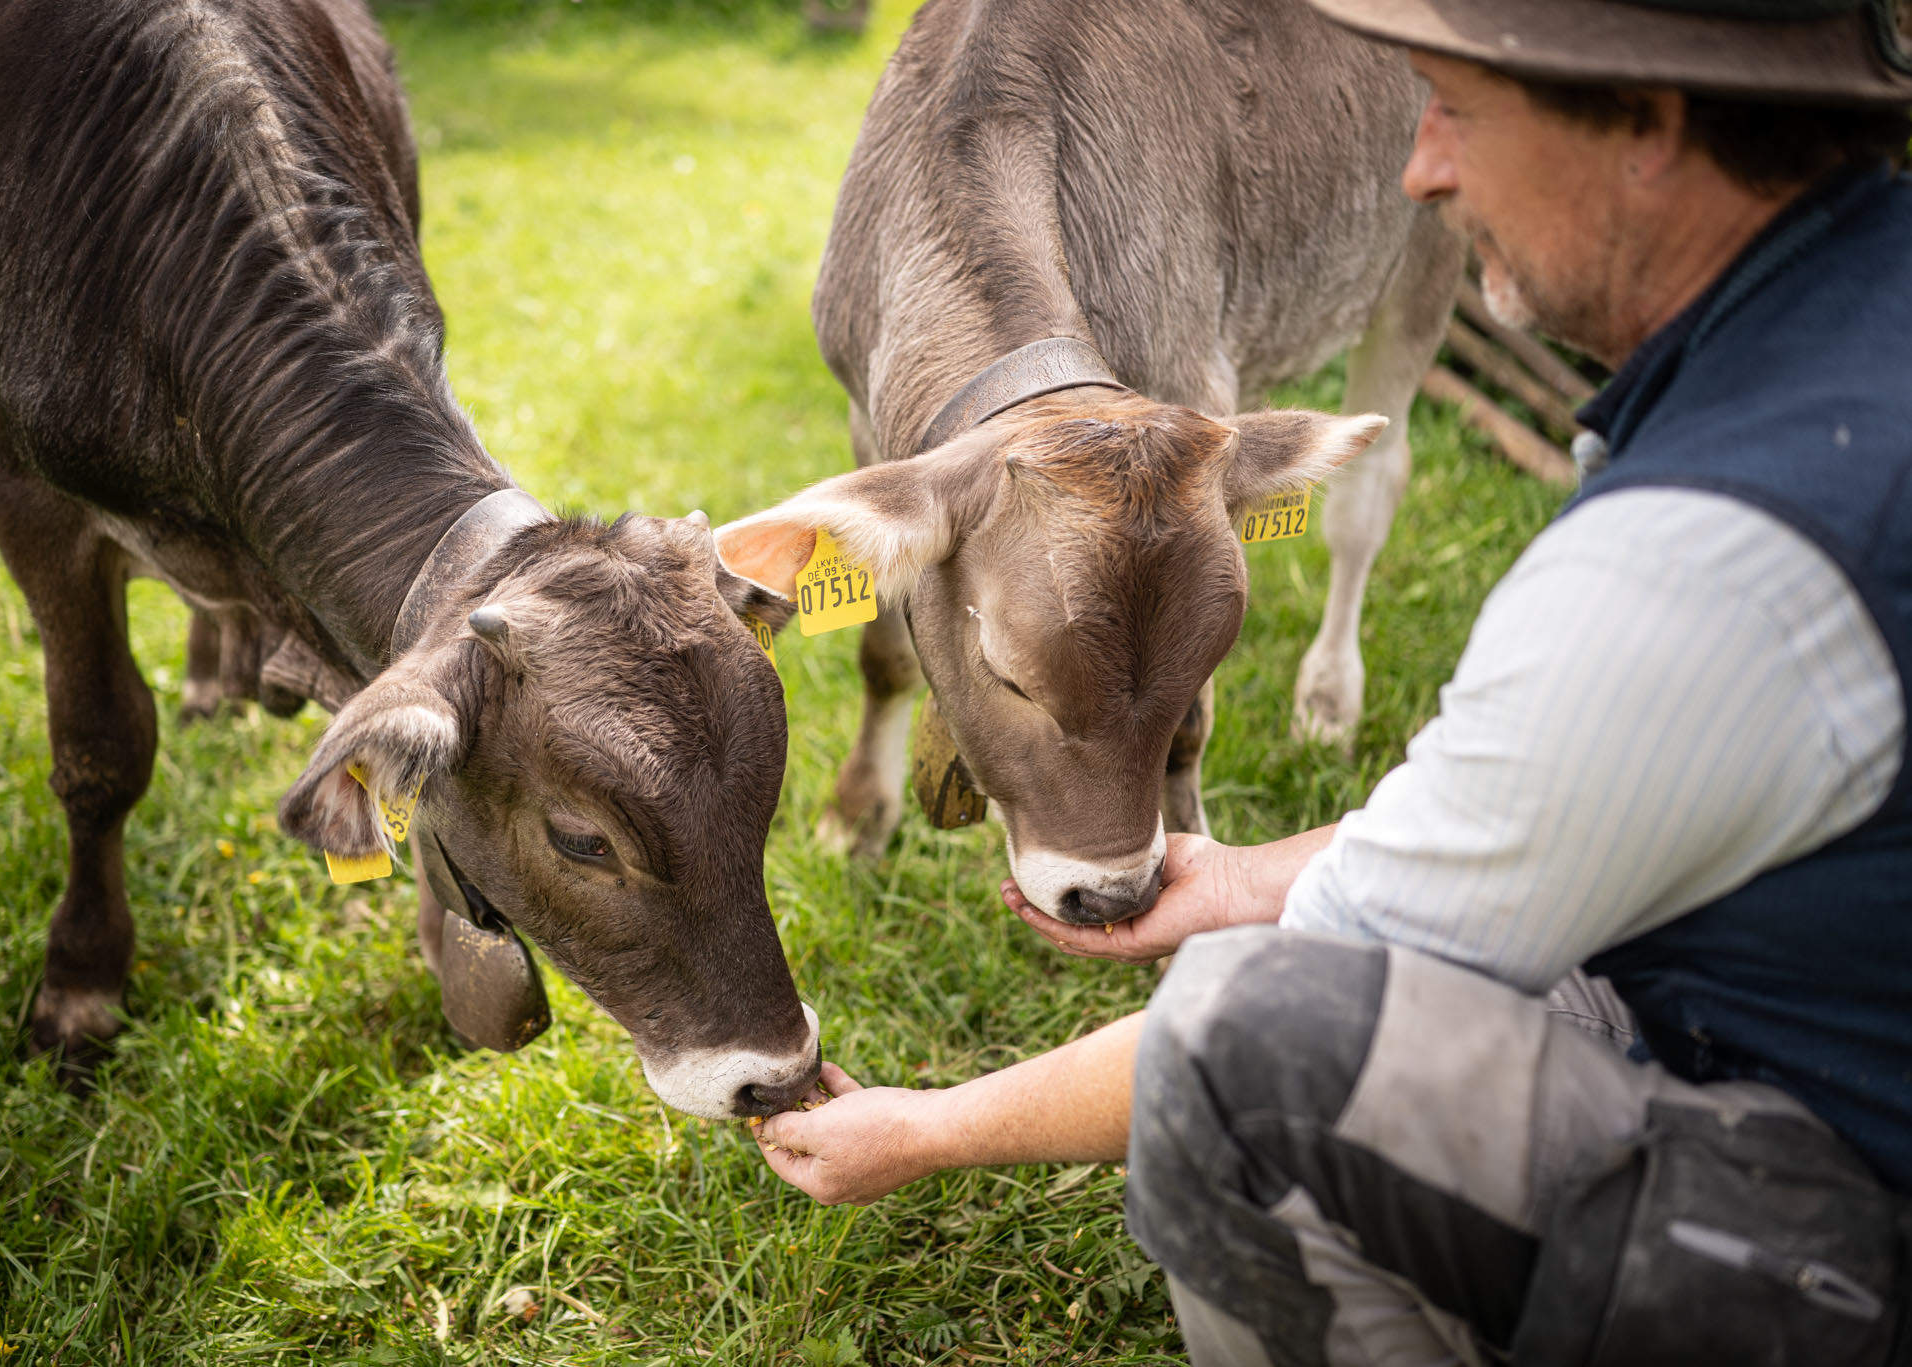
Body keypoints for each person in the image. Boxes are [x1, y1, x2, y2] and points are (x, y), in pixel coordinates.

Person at [755, 1, 1912, 1362]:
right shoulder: (1834, 356)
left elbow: (1378, 948)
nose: (1416, 173)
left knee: (1236, 1044)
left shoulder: (1703, 554)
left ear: (1648, 130)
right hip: (1823, 1039)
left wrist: (930, 1126)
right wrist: (1242, 878)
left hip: (1848, 1228)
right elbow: (1549, 834)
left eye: (1455, 109)